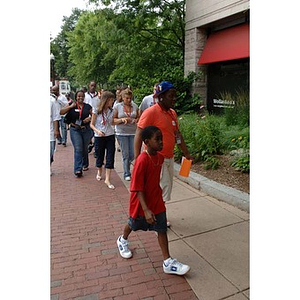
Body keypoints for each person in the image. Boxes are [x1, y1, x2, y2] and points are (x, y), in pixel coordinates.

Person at [117, 126, 190, 275]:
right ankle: (122, 240)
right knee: (133, 223)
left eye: (161, 138)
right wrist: (145, 209)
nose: (161, 142)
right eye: (157, 139)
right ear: (146, 142)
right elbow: (137, 187)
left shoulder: (159, 157)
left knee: (161, 227)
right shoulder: (142, 161)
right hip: (141, 202)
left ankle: (167, 261)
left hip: (156, 199)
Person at [134, 81, 193, 226]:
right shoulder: (150, 112)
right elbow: (139, 134)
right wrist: (136, 159)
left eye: (175, 96)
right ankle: (156, 217)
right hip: (154, 159)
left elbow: (177, 135)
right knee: (157, 189)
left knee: (165, 189)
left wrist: (186, 153)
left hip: (168, 158)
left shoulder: (172, 113)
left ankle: (158, 214)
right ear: (160, 97)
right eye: (170, 96)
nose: (174, 99)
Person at [60, 90, 92, 177]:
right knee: (78, 148)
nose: (80, 98)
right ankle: (78, 169)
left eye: (82, 96)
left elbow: (94, 115)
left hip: (85, 129)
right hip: (75, 129)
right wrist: (70, 107)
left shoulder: (87, 106)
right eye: (78, 96)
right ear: (76, 97)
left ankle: (85, 163)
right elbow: (61, 112)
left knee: (84, 148)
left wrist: (90, 118)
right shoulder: (72, 105)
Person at [90, 91, 116, 189]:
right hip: (99, 136)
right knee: (100, 156)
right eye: (111, 100)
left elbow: (112, 122)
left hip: (110, 135)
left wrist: (120, 121)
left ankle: (108, 179)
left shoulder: (111, 110)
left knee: (110, 156)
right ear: (106, 100)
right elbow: (91, 124)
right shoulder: (96, 110)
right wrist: (98, 131)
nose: (112, 102)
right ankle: (99, 170)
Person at [113, 88, 140, 181]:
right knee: (126, 153)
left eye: (130, 98)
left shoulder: (135, 106)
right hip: (122, 133)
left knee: (133, 153)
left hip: (133, 132)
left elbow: (139, 117)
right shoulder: (117, 107)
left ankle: (127, 165)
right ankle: (126, 173)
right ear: (123, 98)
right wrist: (121, 120)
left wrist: (136, 120)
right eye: (127, 98)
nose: (129, 100)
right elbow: (112, 120)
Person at [50, 86, 61, 174]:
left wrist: (56, 130)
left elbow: (55, 117)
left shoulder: (52, 101)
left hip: (50, 130)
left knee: (50, 150)